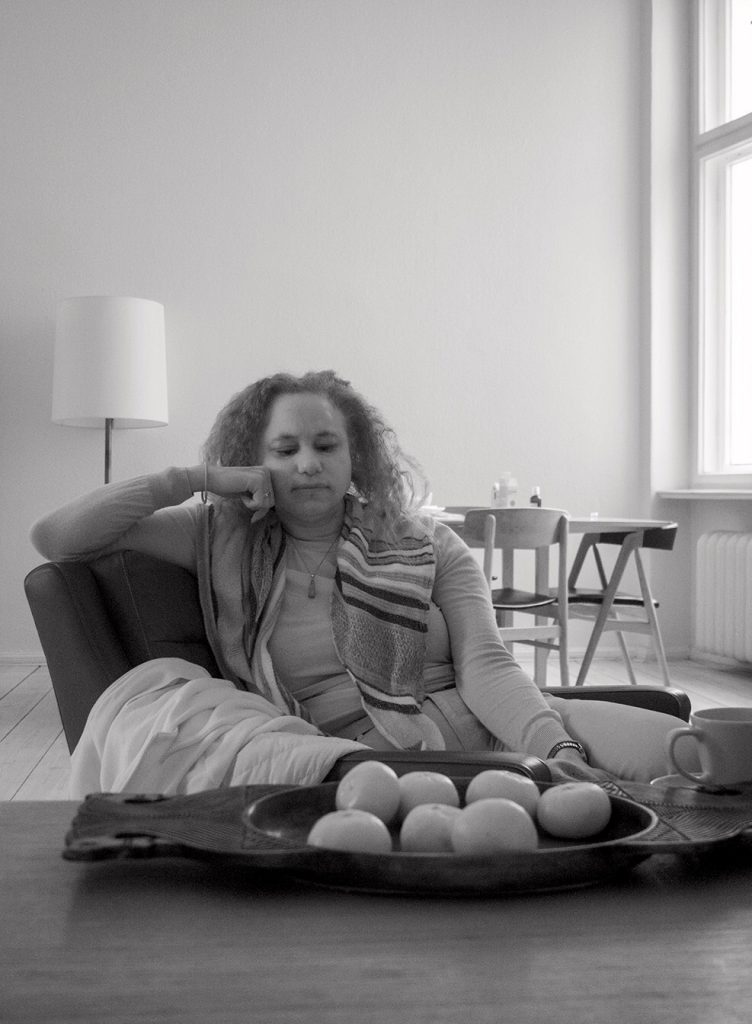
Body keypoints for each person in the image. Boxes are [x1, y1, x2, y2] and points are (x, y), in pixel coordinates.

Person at [31, 370, 694, 796]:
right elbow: (56, 537)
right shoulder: (216, 534)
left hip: (490, 727)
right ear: (253, 462)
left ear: (356, 459)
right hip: (354, 764)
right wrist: (195, 480)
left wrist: (558, 747)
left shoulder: (429, 542)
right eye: (284, 449)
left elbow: (488, 667)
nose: (308, 464)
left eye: (326, 445)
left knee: (696, 758)